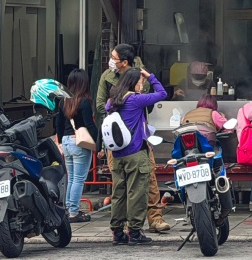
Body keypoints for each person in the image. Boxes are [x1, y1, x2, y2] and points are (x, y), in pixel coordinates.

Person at [96, 44, 171, 233]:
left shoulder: (140, 74)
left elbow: (150, 103)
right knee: (124, 188)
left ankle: (154, 218)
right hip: (117, 140)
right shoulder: (107, 77)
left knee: (149, 181)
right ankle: (131, 227)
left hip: (140, 137)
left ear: (125, 62)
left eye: (114, 57)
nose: (111, 60)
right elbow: (99, 106)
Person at [105, 66, 167, 245]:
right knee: (137, 194)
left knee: (119, 194)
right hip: (135, 153)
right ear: (133, 83)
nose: (142, 85)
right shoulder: (135, 100)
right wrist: (151, 76)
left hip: (117, 155)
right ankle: (135, 231)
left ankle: (117, 232)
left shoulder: (112, 101)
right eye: (140, 82)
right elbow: (162, 93)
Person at [54, 69, 97, 223]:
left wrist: (59, 142)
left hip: (66, 141)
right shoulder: (84, 101)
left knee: (71, 178)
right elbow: (89, 125)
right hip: (78, 142)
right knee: (79, 179)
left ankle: (68, 209)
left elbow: (58, 123)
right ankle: (73, 212)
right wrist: (99, 144)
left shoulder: (63, 101)